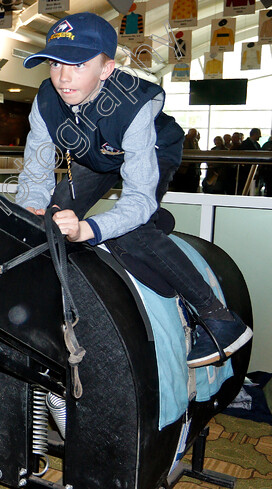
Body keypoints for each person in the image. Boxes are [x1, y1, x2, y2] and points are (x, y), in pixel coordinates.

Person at [16, 12, 252, 368]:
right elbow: (35, 173)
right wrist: (33, 207)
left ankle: (220, 318)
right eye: (54, 63)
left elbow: (137, 197)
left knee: (131, 231)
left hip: (154, 149)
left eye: (78, 64)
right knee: (43, 221)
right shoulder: (46, 99)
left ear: (107, 68)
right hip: (98, 156)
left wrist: (89, 229)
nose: (63, 77)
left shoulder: (136, 105)